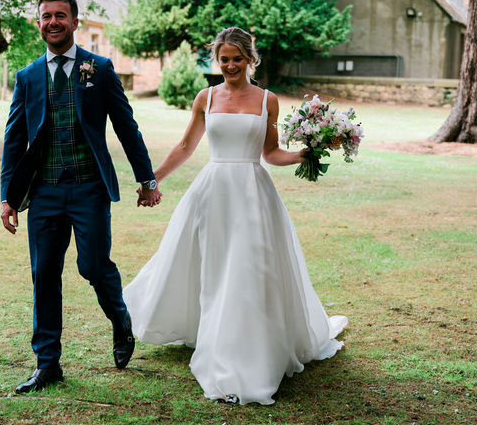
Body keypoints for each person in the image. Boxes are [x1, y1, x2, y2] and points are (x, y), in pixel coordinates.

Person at [123, 27, 347, 405]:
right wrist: (152, 179)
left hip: (252, 194)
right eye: (224, 59)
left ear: (250, 59)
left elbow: (271, 153)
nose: (229, 65)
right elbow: (185, 146)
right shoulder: (205, 98)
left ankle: (250, 345)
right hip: (212, 191)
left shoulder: (267, 101)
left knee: (249, 268)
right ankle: (208, 330)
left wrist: (304, 155)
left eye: (237, 59)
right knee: (210, 266)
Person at [0, 0, 162, 393]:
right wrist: (7, 196)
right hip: (45, 193)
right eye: (46, 16)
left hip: (90, 188)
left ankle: (120, 319)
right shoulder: (28, 77)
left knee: (92, 265)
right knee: (44, 275)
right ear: (38, 23)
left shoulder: (100, 69)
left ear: (75, 21)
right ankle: (47, 363)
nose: (53, 22)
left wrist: (147, 179)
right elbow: (13, 140)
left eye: (61, 15)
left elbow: (126, 127)